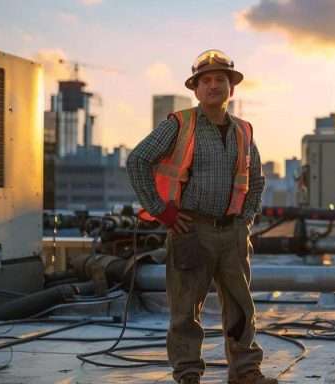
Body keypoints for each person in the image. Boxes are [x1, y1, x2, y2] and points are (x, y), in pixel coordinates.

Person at [127, 49, 273, 384]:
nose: (213, 86)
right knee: (184, 311)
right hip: (191, 230)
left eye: (220, 80)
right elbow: (138, 161)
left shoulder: (243, 131)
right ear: (195, 89)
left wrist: (245, 219)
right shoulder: (180, 124)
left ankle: (245, 371)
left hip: (232, 233)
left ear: (231, 88)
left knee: (241, 308)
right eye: (205, 80)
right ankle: (188, 375)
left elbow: (257, 179)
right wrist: (163, 212)